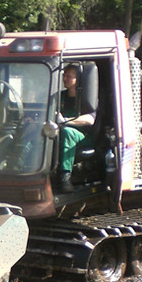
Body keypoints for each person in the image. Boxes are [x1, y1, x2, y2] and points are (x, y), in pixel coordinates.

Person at [56, 63, 96, 192]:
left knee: (68, 132)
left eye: (69, 76)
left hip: (83, 136)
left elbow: (90, 119)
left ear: (78, 79)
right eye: (64, 76)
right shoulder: (59, 97)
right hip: (58, 132)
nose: (65, 79)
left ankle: (65, 177)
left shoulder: (87, 98)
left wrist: (66, 121)